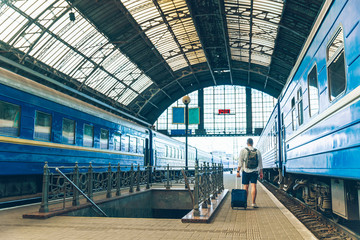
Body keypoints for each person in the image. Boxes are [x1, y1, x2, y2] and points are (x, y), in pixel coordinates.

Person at [236, 138, 263, 208]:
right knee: (253, 186)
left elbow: (240, 162)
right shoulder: (257, 151)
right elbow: (260, 163)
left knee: (246, 187)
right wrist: (261, 172)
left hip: (245, 171)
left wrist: (238, 171)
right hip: (254, 171)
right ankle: (253, 203)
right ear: (252, 143)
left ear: (247, 143)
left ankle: (245, 203)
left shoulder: (243, 150)